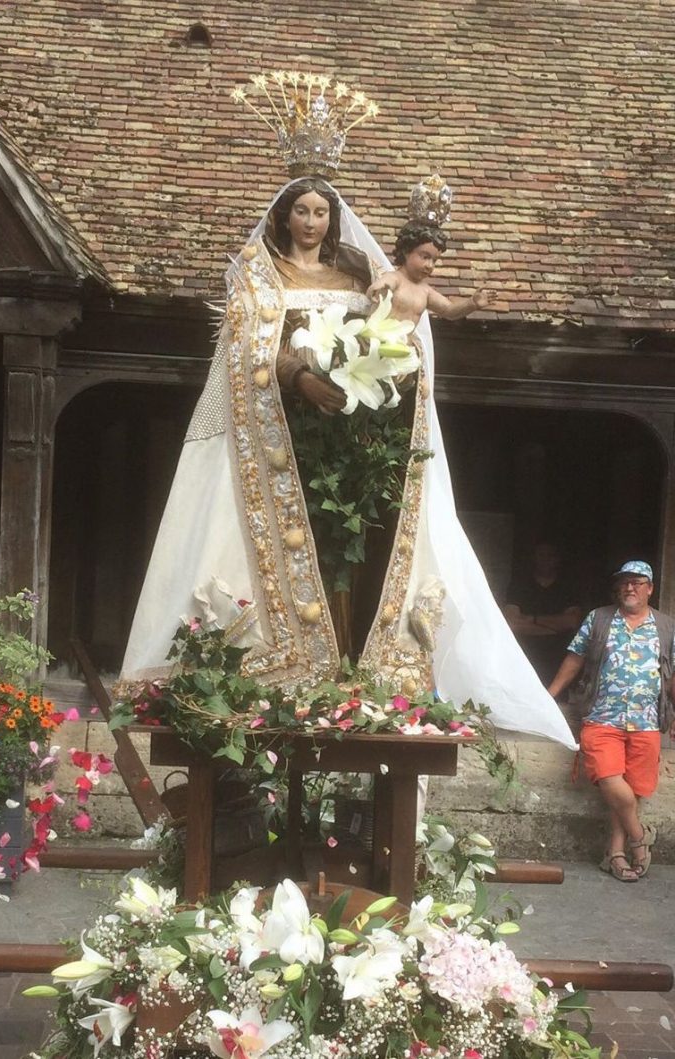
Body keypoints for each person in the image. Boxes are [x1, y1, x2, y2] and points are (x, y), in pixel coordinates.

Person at [119, 74, 575, 750]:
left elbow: (401, 327)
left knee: (356, 549)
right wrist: (302, 378)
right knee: (284, 552)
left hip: (356, 432)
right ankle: (283, 670)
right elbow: (252, 345)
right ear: (283, 216)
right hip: (284, 437)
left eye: (320, 212)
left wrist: (384, 371)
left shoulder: (362, 271)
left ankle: (352, 666)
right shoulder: (257, 273)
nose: (311, 221)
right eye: (301, 210)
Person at [547, 561, 675, 881]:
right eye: (624, 583)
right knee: (608, 777)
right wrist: (549, 695)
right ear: (618, 588)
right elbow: (575, 658)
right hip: (602, 716)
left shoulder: (666, 626)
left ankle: (615, 854)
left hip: (646, 721)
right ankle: (639, 837)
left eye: (637, 582)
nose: (630, 588)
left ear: (650, 588)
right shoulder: (599, 619)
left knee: (634, 788)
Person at [366, 221, 494, 324]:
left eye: (434, 260)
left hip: (405, 351)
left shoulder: (426, 291)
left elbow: (448, 310)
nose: (430, 266)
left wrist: (471, 304)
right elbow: (386, 282)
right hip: (378, 344)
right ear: (406, 251)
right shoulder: (396, 279)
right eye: (425, 257)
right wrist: (380, 287)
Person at [504, 542, 582, 684]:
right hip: (523, 655)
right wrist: (555, 628)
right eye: (541, 555)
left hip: (557, 659)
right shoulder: (519, 585)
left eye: (550, 556)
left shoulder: (568, 586)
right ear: (534, 558)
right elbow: (512, 624)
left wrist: (531, 619)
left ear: (557, 559)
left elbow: (572, 622)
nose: (545, 560)